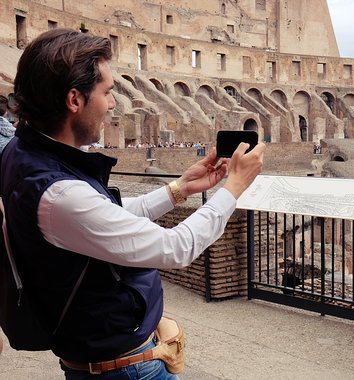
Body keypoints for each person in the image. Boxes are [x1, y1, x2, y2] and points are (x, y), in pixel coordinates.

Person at [0, 28, 265, 379]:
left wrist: (179, 188)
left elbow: (104, 219)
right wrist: (234, 187)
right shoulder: (57, 193)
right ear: (74, 100)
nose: (112, 104)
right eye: (107, 92)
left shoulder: (24, 153)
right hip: (124, 369)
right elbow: (176, 248)